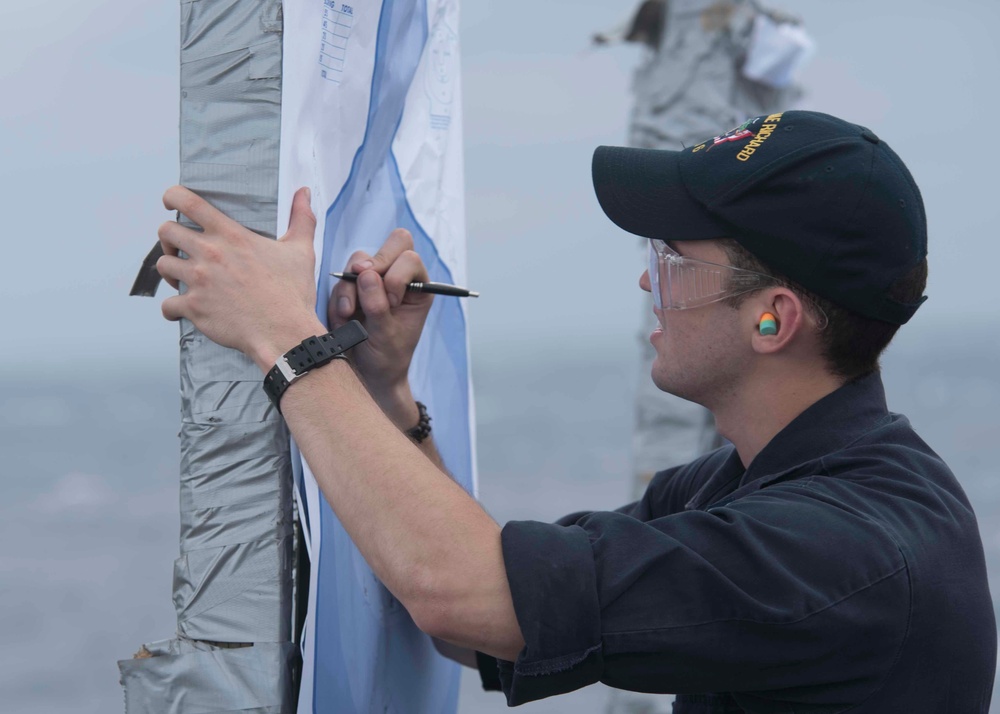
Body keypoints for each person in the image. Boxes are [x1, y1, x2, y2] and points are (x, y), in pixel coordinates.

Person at [155, 110, 996, 712]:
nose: (646, 281)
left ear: (772, 317)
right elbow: (494, 626)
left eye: (672, 258)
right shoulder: (751, 488)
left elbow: (462, 595)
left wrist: (283, 337)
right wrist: (385, 391)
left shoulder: (839, 552)